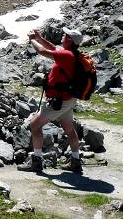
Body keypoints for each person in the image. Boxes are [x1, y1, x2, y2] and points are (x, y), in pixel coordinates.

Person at [17, 28, 85, 174]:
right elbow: (53, 49)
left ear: (70, 40)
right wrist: (40, 38)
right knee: (69, 129)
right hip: (68, 99)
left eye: (65, 35)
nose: (62, 35)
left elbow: (42, 51)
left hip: (60, 101)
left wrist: (32, 40)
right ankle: (75, 161)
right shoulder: (72, 54)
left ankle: (37, 162)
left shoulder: (67, 55)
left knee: (35, 125)